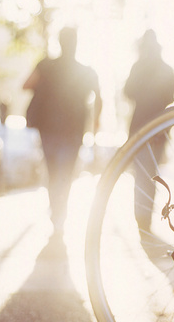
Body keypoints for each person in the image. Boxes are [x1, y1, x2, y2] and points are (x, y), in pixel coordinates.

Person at [23, 27, 102, 236]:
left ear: (60, 41)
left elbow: (26, 84)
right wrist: (96, 122)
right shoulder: (86, 70)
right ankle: (60, 215)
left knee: (53, 172)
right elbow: (99, 97)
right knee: (66, 173)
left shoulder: (46, 65)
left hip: (48, 129)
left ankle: (56, 213)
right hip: (73, 130)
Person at [124, 29, 174, 234]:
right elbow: (171, 96)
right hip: (159, 128)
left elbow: (127, 92)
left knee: (141, 175)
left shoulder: (138, 66)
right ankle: (145, 218)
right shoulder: (166, 69)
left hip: (139, 127)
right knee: (151, 174)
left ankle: (141, 217)